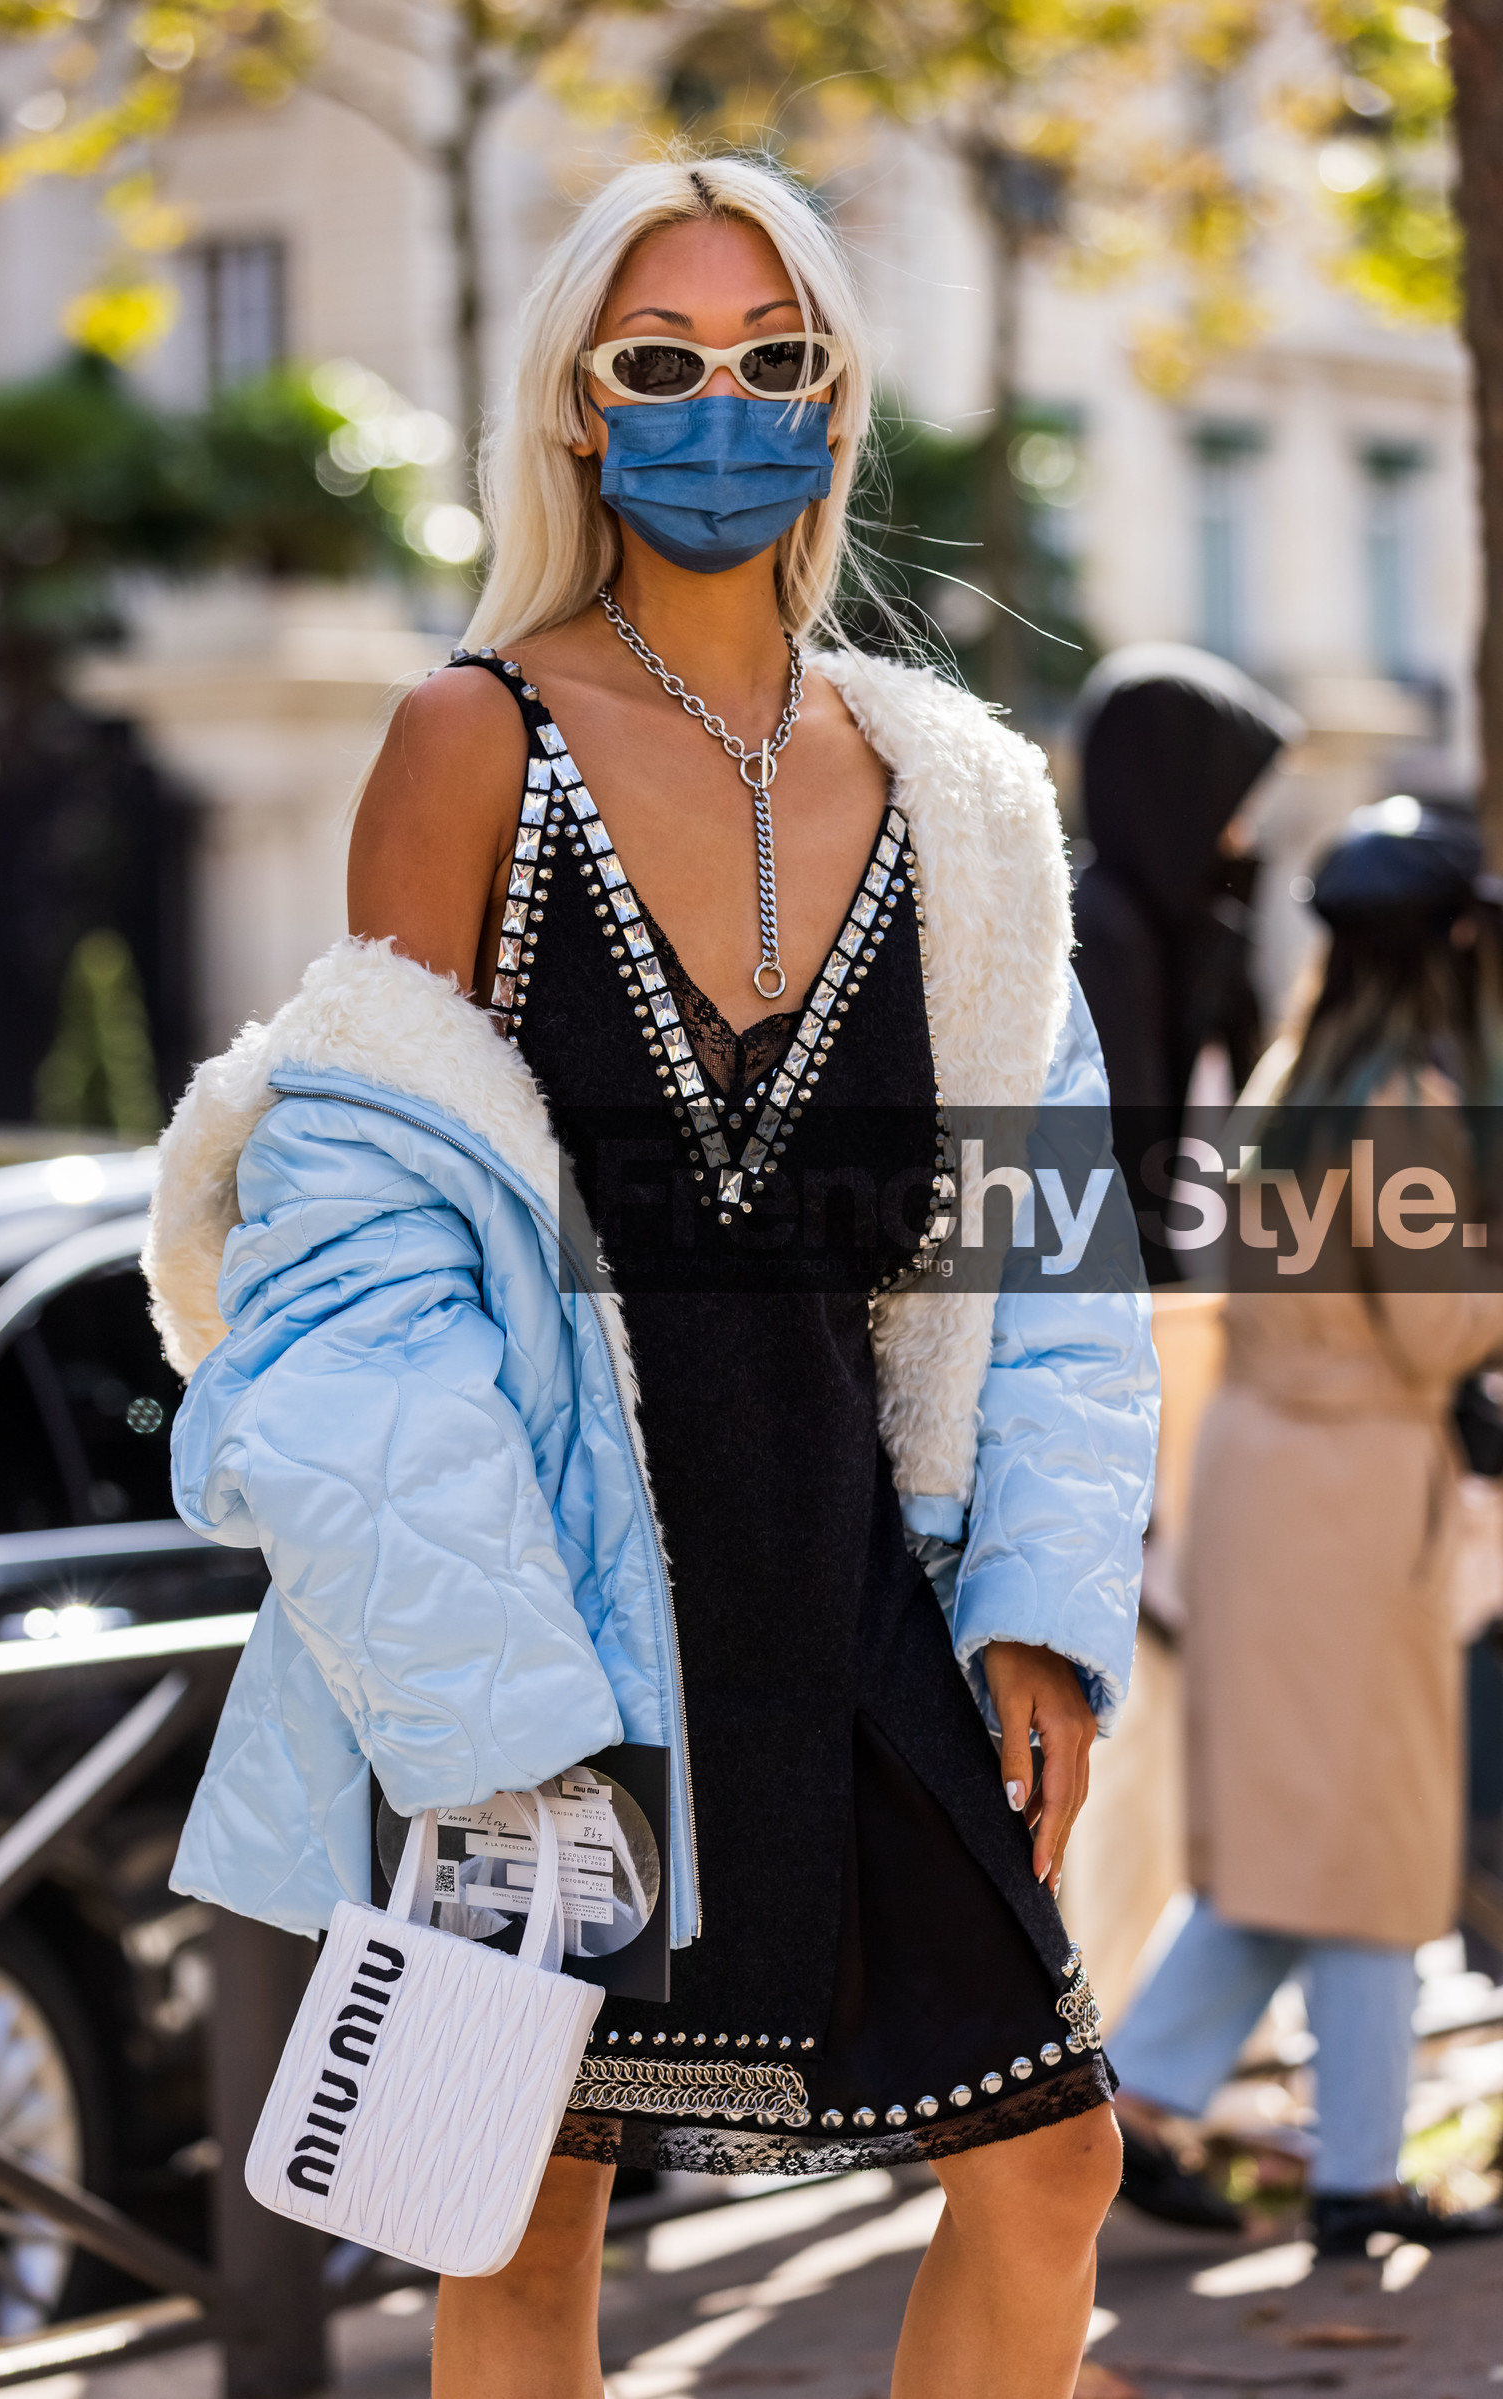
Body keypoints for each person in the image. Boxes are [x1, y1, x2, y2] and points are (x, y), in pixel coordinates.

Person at [146, 155, 1158, 2398]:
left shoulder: (960, 800)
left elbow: (1050, 1251)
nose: (724, 403)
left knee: (1049, 2157)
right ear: (578, 407)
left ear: (834, 396)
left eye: (771, 358)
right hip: (557, 1612)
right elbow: (359, 1266)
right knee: (514, 2213)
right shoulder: (465, 742)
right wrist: (492, 1717)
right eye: (663, 361)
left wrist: (1040, 1607)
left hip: (857, 1572)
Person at [1110, 797, 1503, 2253]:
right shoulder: (1407, 1097)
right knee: (1366, 1835)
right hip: (1350, 1493)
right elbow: (1436, 1322)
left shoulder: (1296, 1074)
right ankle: (1321, 2157)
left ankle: (1165, 2103)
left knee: (1311, 1837)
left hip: (1268, 1478)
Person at [1072, 646, 1302, 1274]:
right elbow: (1116, 1160)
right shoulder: (1099, 933)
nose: (1242, 833)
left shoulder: (1156, 922)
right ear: (1178, 790)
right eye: (1233, 804)